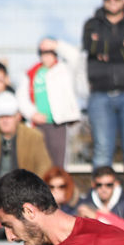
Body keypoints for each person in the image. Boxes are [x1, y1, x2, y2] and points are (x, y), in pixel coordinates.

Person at [83, 0, 124, 200]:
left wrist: (105, 49)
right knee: (102, 152)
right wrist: (122, 45)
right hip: (100, 95)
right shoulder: (91, 24)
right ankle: (100, 205)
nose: (112, 0)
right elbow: (91, 47)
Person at [26, 37, 84, 168]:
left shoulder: (64, 69)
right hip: (37, 124)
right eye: (43, 53)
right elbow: (22, 97)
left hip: (58, 123)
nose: (46, 56)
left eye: (49, 52)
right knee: (37, 164)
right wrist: (32, 113)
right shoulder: (33, 72)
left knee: (58, 164)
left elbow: (75, 56)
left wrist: (57, 44)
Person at [78, 166, 124, 232]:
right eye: (99, 185)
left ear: (116, 184)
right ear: (93, 184)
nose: (103, 189)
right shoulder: (85, 204)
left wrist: (100, 217)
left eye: (108, 185)